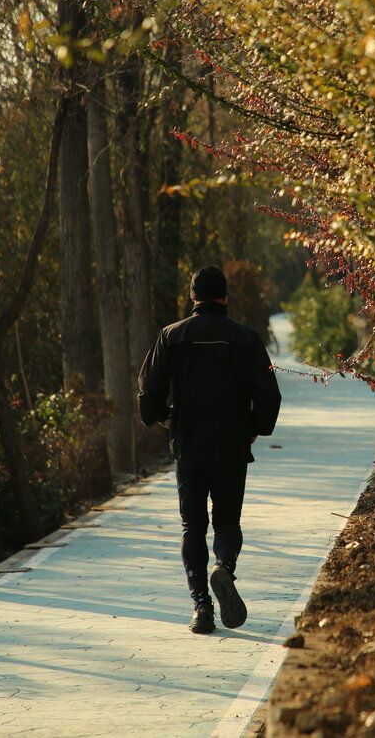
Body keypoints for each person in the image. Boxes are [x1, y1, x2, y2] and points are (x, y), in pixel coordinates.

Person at [137, 266, 282, 634]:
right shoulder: (246, 338)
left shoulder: (172, 336)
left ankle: (202, 607)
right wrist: (254, 428)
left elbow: (148, 390)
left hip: (189, 444)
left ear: (192, 298)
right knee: (227, 522)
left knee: (193, 526)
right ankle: (225, 568)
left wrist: (163, 417)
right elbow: (268, 394)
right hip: (232, 443)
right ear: (225, 298)